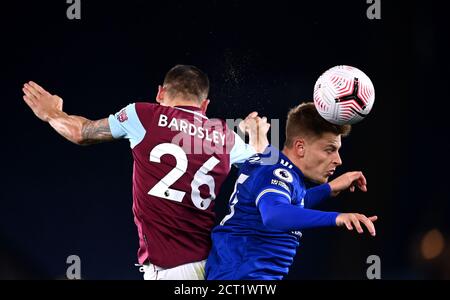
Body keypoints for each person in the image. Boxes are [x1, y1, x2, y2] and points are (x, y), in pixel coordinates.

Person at [21, 65, 270, 280]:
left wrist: (51, 113)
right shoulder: (223, 135)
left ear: (160, 93)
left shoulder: (142, 115)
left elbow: (82, 132)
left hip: (171, 268)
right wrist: (259, 136)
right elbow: (265, 170)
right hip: (213, 264)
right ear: (204, 105)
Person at [205, 102, 378, 280]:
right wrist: (337, 217)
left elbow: (288, 204)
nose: (338, 160)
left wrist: (328, 189)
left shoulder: (277, 167)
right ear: (300, 147)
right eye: (330, 150)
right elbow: (274, 214)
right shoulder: (276, 172)